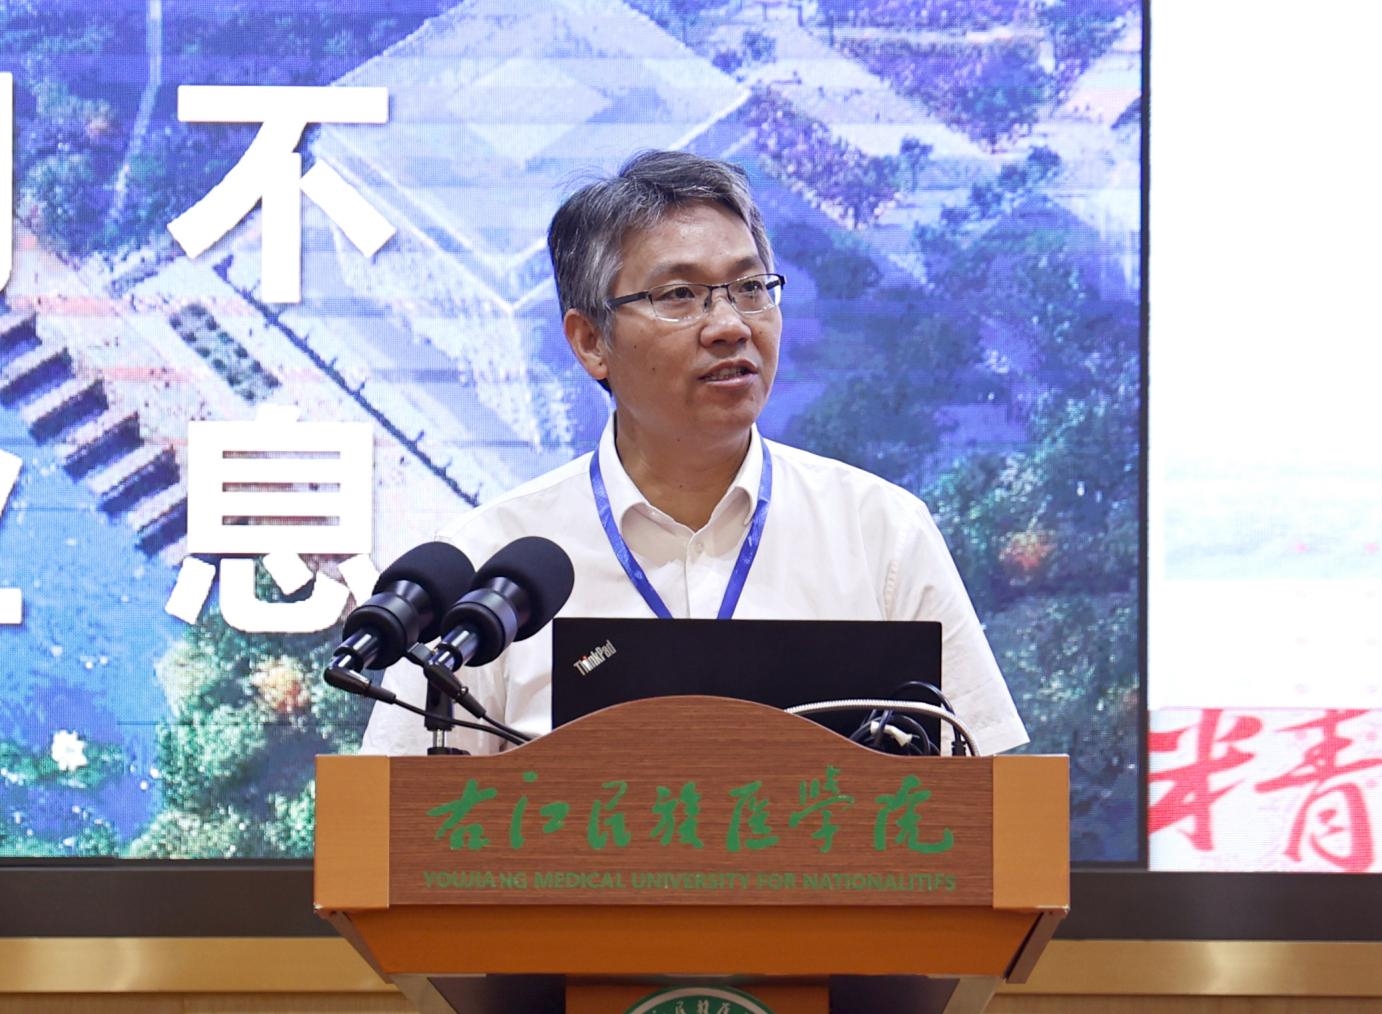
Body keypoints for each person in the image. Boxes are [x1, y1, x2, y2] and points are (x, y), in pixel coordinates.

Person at [361, 150, 1026, 757]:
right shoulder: (492, 569)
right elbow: (397, 822)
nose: (731, 325)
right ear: (591, 341)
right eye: (680, 296)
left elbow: (992, 803)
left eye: (751, 288)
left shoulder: (880, 532)